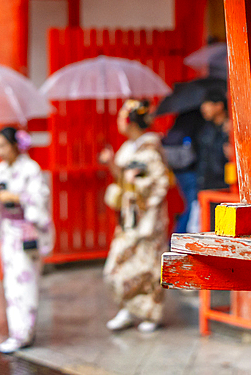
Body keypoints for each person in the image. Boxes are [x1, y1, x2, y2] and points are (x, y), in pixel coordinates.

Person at [0, 127, 53, 354]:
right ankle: (17, 332)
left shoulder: (31, 169)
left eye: (2, 145)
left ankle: (23, 333)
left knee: (25, 283)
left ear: (15, 146)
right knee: (11, 284)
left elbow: (40, 198)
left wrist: (17, 197)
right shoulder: (0, 170)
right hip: (8, 233)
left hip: (27, 231)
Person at [99, 100, 170, 333]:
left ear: (130, 121)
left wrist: (137, 185)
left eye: (121, 117)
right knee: (118, 266)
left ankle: (151, 313)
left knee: (148, 267)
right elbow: (122, 179)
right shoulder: (128, 148)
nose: (119, 121)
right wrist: (112, 164)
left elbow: (161, 183)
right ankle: (128, 309)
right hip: (130, 218)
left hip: (148, 219)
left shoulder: (150, 149)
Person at [161, 108, 206, 233]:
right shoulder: (197, 116)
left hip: (178, 169)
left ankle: (178, 238)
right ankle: (178, 239)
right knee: (193, 206)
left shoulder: (181, 115)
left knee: (189, 204)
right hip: (190, 169)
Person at [197, 89, 232, 229]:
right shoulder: (206, 129)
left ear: (219, 105)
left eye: (207, 103)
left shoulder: (231, 128)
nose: (203, 108)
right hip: (206, 183)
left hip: (225, 185)